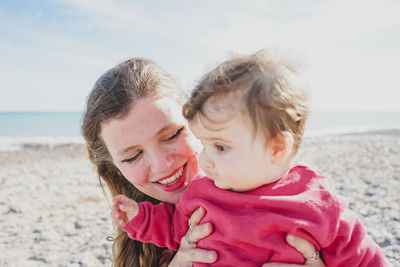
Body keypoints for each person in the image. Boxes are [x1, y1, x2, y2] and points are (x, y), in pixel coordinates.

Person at [110, 51, 387, 266]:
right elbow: (173, 229)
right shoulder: (201, 195)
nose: (205, 161)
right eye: (204, 144)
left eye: (220, 147)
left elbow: (363, 259)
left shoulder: (317, 203)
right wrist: (141, 218)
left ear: (277, 148)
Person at [81, 57, 327, 267]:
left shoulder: (299, 197)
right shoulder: (140, 241)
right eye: (132, 156)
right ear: (114, 166)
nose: (163, 164)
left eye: (173, 135)